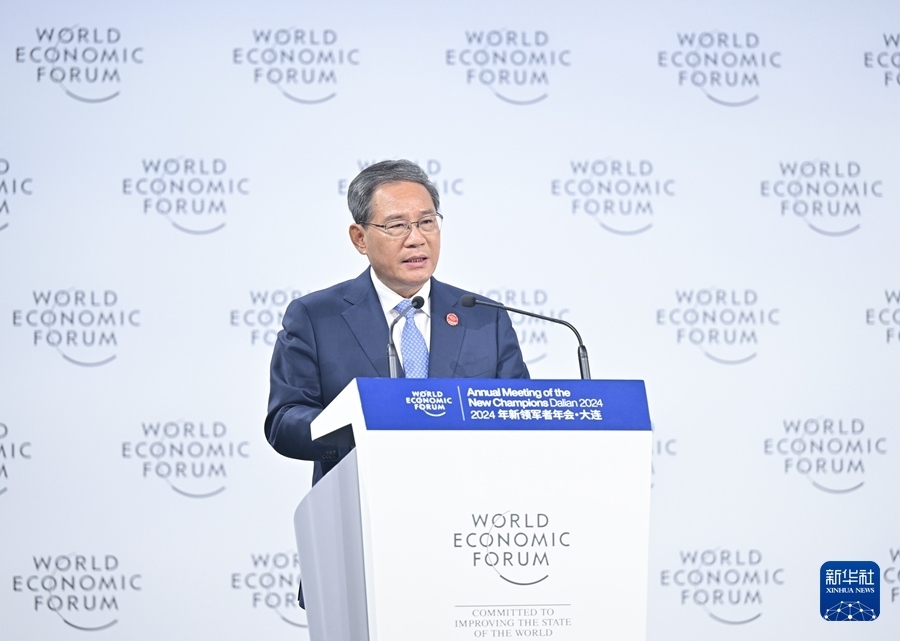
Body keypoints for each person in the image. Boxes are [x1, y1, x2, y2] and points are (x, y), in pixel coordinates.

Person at [265, 159, 529, 486]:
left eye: (427, 222)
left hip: (468, 498)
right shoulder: (316, 317)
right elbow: (285, 421)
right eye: (396, 225)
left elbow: (520, 413)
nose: (416, 238)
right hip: (363, 497)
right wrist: (360, 430)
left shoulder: (485, 316)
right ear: (360, 238)